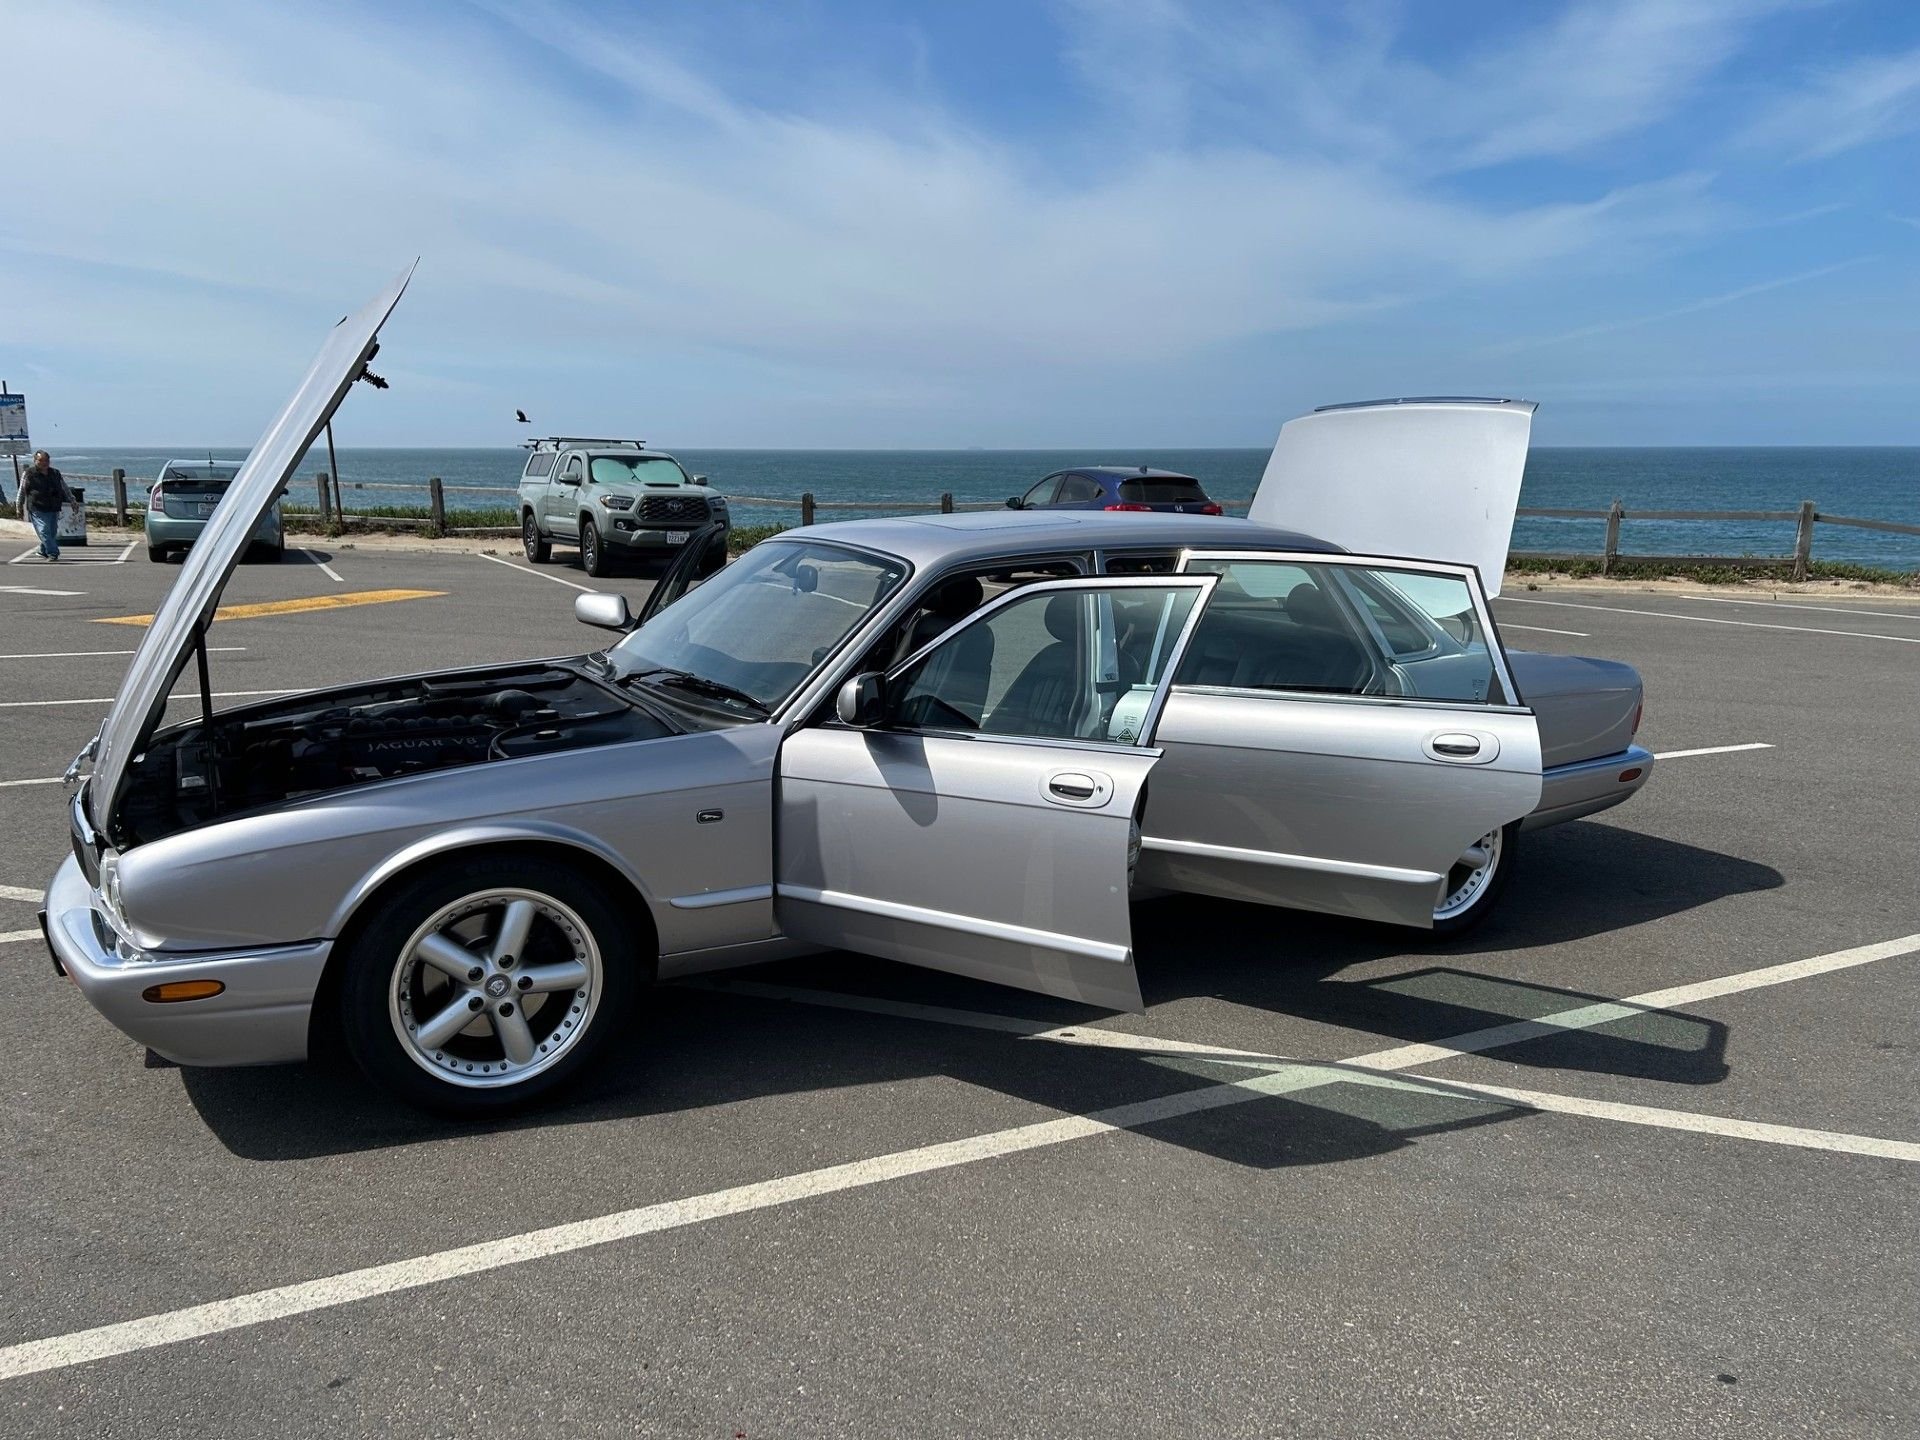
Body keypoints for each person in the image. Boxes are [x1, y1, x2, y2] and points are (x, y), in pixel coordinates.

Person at [18, 451, 73, 561]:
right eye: (40, 460)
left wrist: (72, 500)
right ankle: (53, 553)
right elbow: (22, 491)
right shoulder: (29, 473)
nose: (44, 463)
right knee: (43, 530)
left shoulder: (55, 473)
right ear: (35, 461)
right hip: (36, 507)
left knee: (52, 532)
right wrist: (18, 506)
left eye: (46, 460)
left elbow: (64, 487)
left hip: (53, 506)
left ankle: (42, 550)